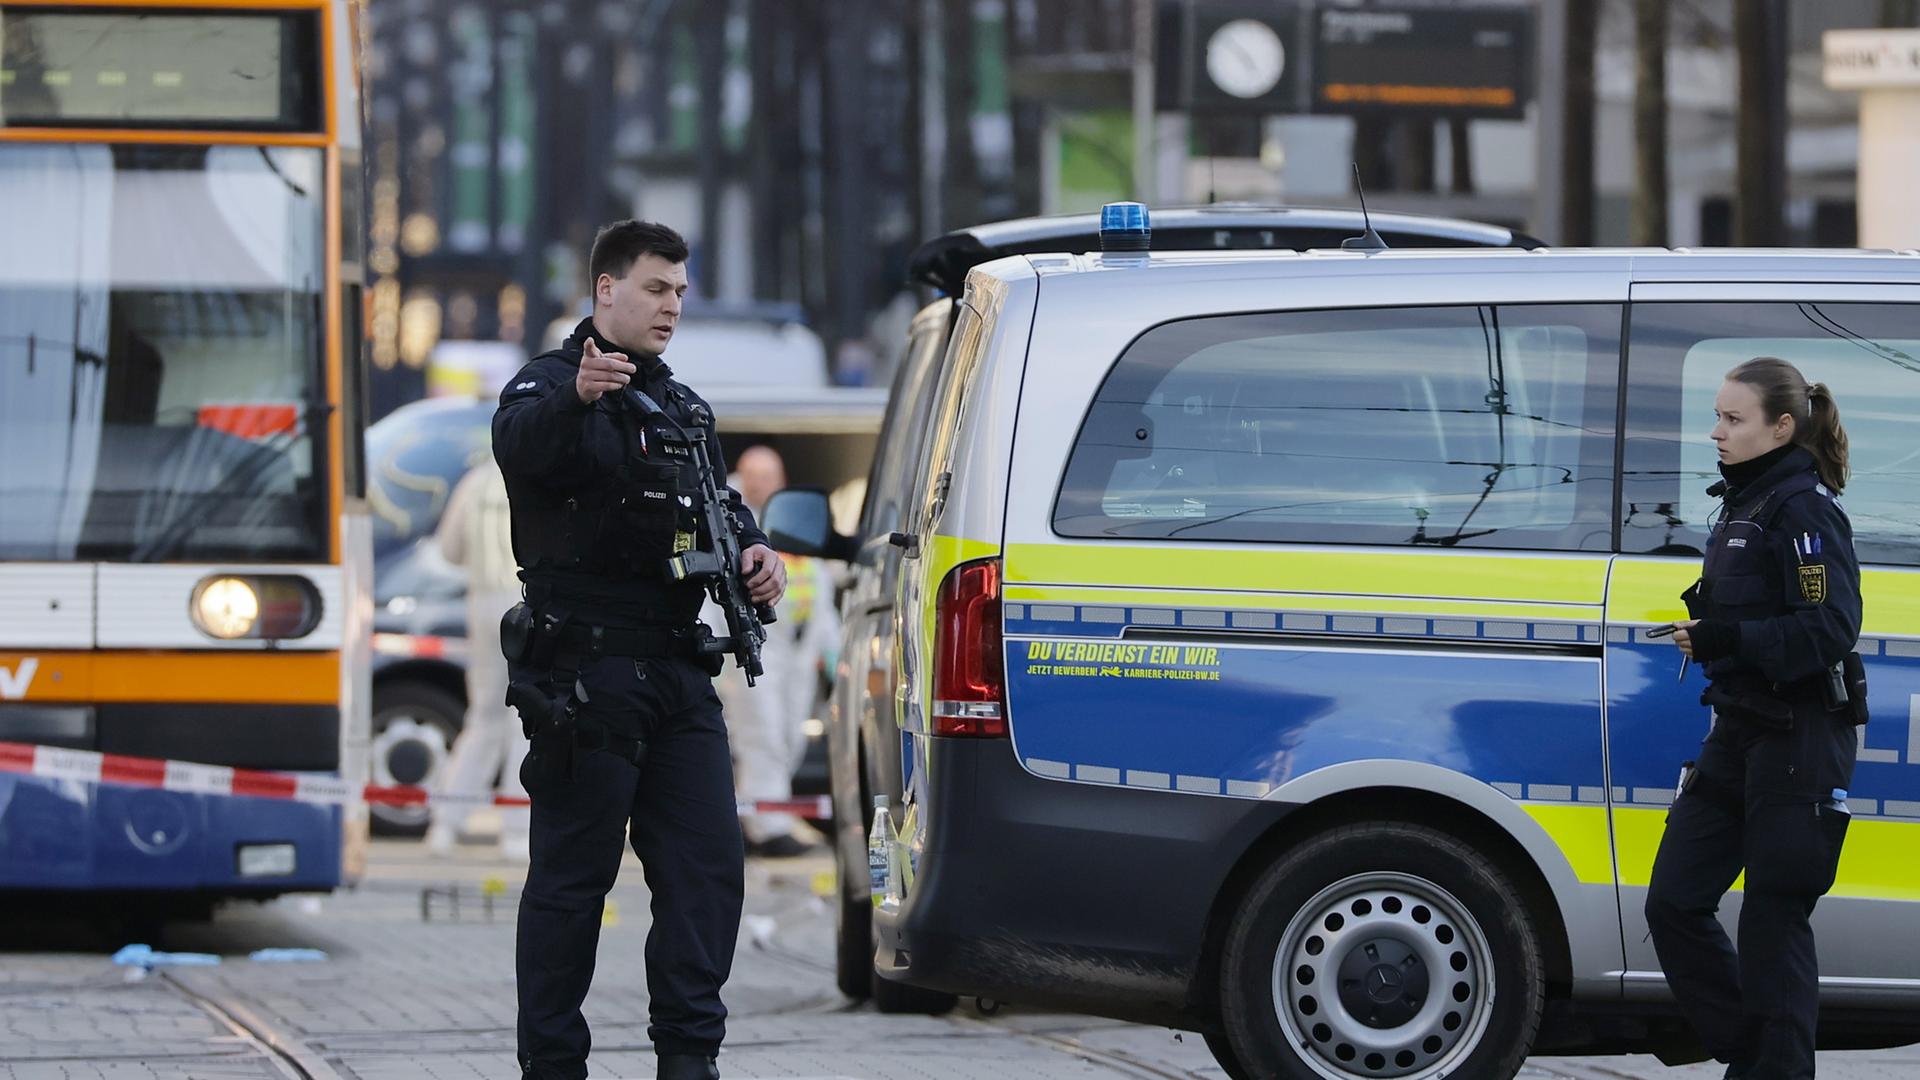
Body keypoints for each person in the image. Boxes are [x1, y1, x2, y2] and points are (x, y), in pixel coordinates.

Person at [492, 220, 786, 1080]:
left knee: (706, 876)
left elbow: (718, 505)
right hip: (587, 674)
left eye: (681, 293)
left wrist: (754, 553)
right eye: (657, 289)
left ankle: (689, 1061)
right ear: (606, 290)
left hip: (677, 672)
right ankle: (553, 1065)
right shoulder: (546, 387)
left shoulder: (682, 406)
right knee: (571, 886)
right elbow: (524, 450)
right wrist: (578, 398)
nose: (672, 307)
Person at [1645, 357, 1864, 1080]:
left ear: (1782, 426)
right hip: (1740, 729)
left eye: (1733, 419)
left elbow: (1828, 629)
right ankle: (1756, 1051)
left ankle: (1772, 1065)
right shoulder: (1746, 503)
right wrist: (1713, 629)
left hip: (1798, 739)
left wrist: (1725, 638)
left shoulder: (1804, 511)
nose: (1716, 432)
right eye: (1717, 415)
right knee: (1674, 901)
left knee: (1774, 923)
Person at [712, 445, 840, 857]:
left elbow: (817, 581)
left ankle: (764, 814)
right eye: (755, 475)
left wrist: (830, 647)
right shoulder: (729, 522)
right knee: (760, 734)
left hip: (798, 647)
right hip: (756, 644)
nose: (763, 484)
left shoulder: (791, 520)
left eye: (770, 475)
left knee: (787, 736)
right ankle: (766, 826)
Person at [427, 457, 532, 861]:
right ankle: (517, 831)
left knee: (484, 716)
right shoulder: (535, 473)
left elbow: (450, 551)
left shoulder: (474, 482)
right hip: (525, 602)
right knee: (525, 718)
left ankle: (446, 823)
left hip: (480, 602)